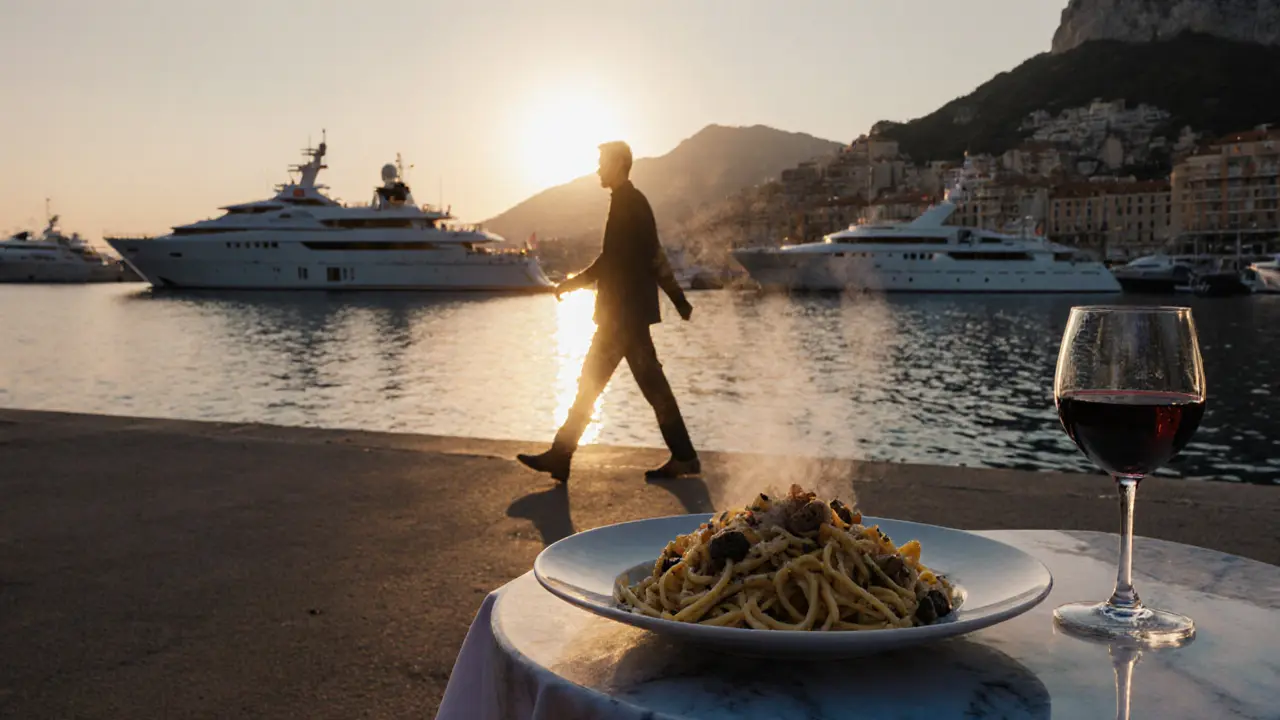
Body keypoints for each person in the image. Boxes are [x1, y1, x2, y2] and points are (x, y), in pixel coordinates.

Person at [517, 141, 700, 483]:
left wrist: (570, 284)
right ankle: (684, 456)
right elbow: (638, 258)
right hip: (625, 315)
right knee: (645, 385)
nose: (598, 169)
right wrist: (677, 300)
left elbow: (632, 258)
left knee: (593, 383)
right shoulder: (626, 202)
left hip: (622, 317)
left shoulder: (630, 204)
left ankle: (562, 455)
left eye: (602, 162)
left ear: (618, 164)